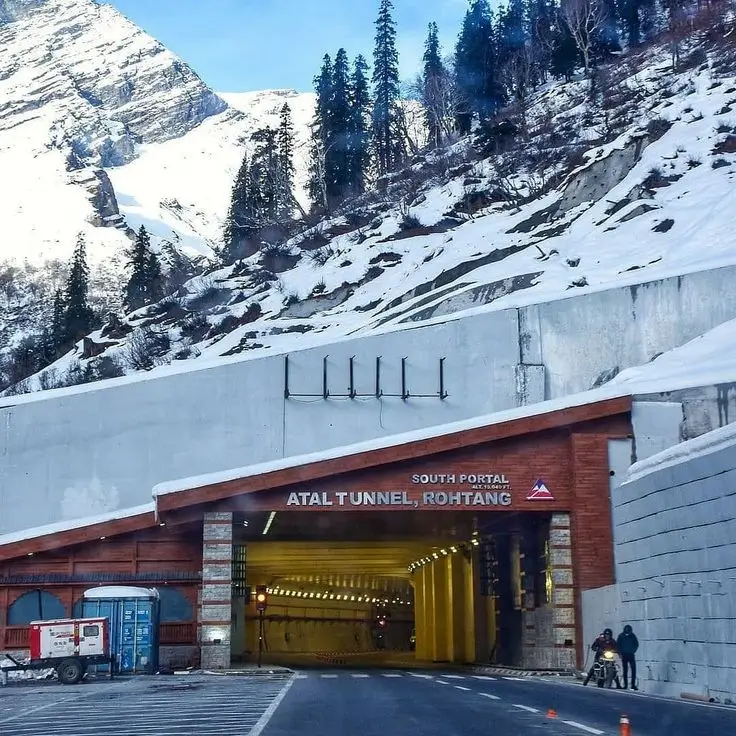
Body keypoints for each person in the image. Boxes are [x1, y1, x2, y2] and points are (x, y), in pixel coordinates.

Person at [617, 624, 639, 690]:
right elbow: (618, 645)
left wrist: (633, 651)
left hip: (631, 655)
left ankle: (633, 684)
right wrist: (620, 653)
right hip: (624, 655)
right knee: (625, 670)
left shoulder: (633, 636)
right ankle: (625, 685)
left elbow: (636, 644)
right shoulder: (621, 636)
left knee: (633, 670)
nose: (628, 633)